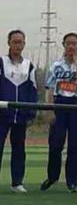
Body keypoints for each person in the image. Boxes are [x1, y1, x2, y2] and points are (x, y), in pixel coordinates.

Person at [41, 32, 77, 193]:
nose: (71, 46)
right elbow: (49, 88)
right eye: (68, 43)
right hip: (59, 104)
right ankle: (52, 177)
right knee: (55, 144)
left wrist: (76, 64)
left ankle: (72, 182)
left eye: (74, 44)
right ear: (63, 45)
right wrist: (49, 109)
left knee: (75, 146)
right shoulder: (55, 66)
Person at [0, 30, 38, 193]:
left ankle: (17, 182)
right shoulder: (1, 62)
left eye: (20, 42)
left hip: (21, 116)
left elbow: (33, 90)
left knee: (19, 149)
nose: (17, 45)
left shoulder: (29, 65)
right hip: (2, 114)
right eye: (14, 42)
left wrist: (31, 113)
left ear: (24, 44)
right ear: (8, 43)